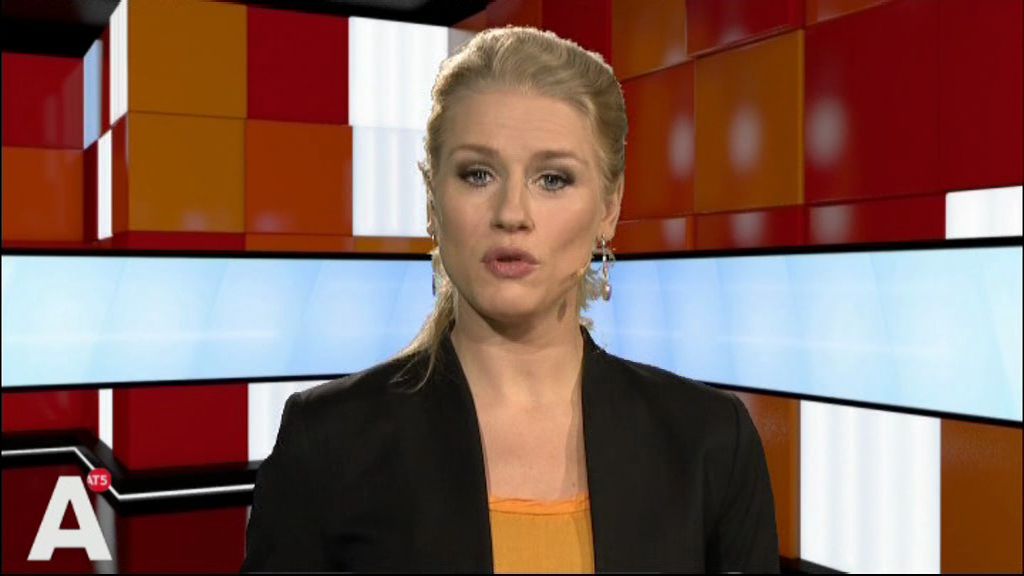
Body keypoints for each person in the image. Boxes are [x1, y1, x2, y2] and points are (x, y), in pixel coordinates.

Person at [241, 25, 780, 573]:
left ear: (609, 207)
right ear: (432, 201)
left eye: (553, 179)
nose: (511, 214)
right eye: (478, 174)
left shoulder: (710, 442)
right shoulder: (327, 443)